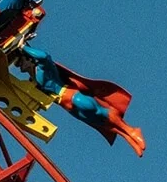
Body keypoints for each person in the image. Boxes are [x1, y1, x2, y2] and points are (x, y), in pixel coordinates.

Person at [10, 45, 146, 157]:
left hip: (72, 97)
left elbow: (44, 56)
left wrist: (23, 47)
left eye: (21, 62)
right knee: (97, 122)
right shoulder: (33, 80)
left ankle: (131, 130)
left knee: (100, 112)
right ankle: (127, 137)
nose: (21, 67)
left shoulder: (42, 68)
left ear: (28, 59)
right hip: (69, 107)